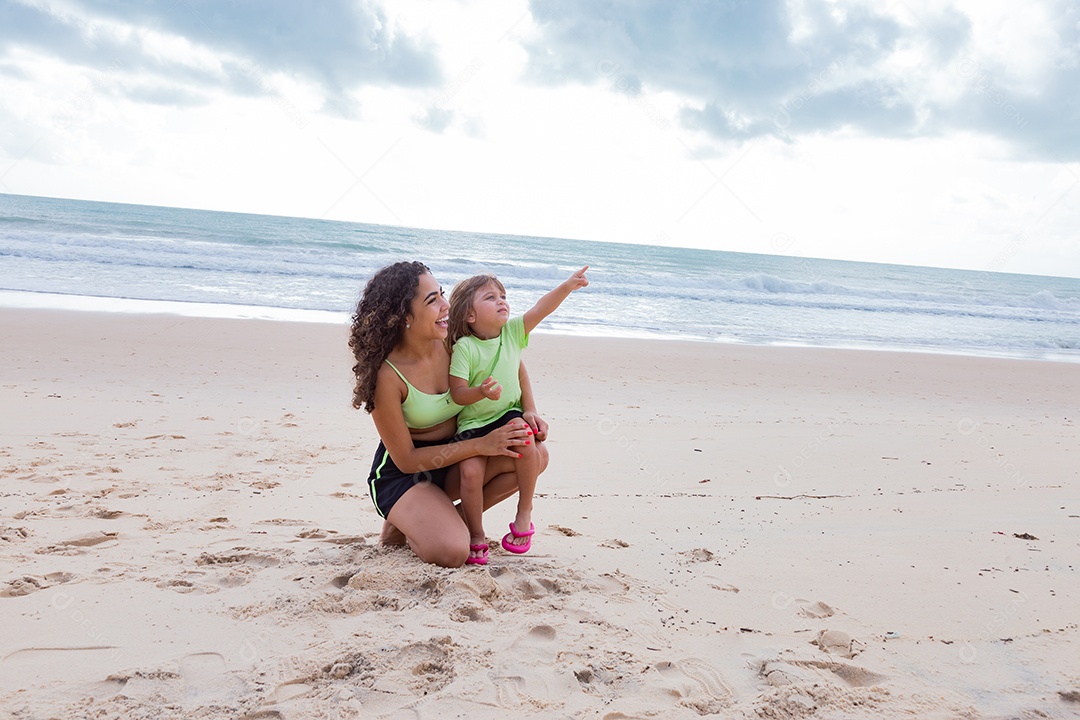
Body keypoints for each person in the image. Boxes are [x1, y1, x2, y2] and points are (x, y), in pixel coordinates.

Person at [349, 261, 549, 568]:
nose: (446, 305)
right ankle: (412, 518)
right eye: (432, 300)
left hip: (454, 462)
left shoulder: (453, 344)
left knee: (535, 455)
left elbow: (510, 361)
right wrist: (482, 445)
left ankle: (441, 520)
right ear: (403, 315)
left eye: (442, 294)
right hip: (406, 475)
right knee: (452, 553)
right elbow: (407, 459)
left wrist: (530, 410)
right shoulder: (386, 376)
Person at [447, 266, 589, 565]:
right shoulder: (465, 347)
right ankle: (475, 534)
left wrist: (566, 286)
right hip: (473, 424)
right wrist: (480, 392)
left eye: (503, 296)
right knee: (470, 474)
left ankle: (524, 514)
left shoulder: (512, 333)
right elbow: (458, 393)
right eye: (490, 297)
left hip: (507, 413)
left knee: (525, 437)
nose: (502, 301)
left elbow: (541, 308)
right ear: (469, 316)